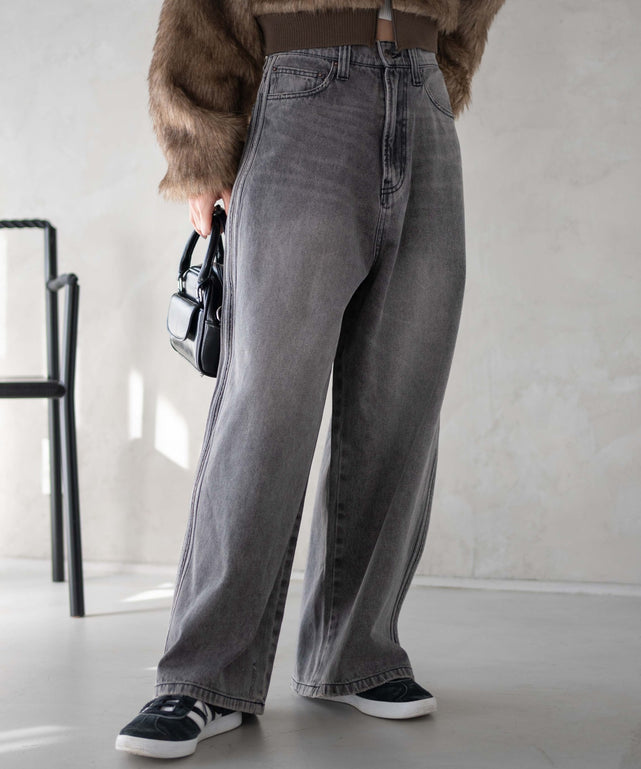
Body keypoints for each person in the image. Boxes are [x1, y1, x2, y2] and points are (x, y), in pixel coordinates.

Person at [116, 0, 506, 759]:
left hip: (421, 99)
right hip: (302, 96)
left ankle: (356, 653)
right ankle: (203, 676)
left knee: (402, 398)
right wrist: (199, 151)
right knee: (265, 406)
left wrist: (437, 68)